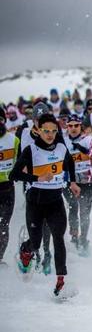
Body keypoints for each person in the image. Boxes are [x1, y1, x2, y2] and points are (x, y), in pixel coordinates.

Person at [11, 113, 80, 296]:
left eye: (53, 131)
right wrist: (37, 177)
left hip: (56, 201)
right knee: (36, 243)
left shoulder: (60, 148)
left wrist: (72, 182)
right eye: (46, 131)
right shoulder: (30, 150)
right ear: (38, 131)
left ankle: (61, 280)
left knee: (59, 238)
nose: (50, 134)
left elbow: (70, 162)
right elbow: (14, 175)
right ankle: (26, 250)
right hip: (35, 201)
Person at [63, 114, 92, 255]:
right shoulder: (63, 142)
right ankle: (74, 236)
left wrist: (84, 149)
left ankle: (83, 239)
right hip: (69, 182)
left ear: (80, 126)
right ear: (67, 127)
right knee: (73, 207)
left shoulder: (88, 140)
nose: (73, 128)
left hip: (86, 181)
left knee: (85, 213)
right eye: (70, 126)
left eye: (76, 125)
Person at [0, 108, 19, 266]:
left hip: (7, 188)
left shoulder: (13, 140)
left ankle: (0, 257)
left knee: (4, 224)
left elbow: (21, 163)